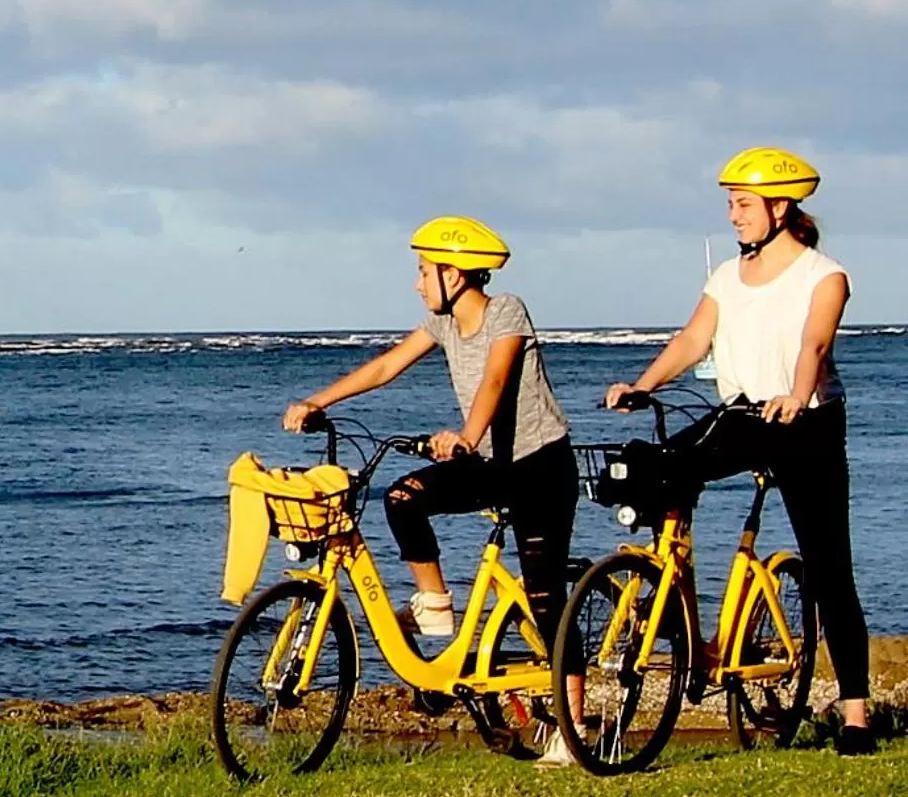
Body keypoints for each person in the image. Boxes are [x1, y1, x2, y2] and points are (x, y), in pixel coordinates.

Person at [605, 148, 873, 755]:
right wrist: (643, 385)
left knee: (830, 565)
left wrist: (797, 397)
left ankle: (857, 715)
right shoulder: (727, 276)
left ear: (781, 208)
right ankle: (680, 610)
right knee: (651, 467)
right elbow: (694, 338)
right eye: (730, 204)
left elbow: (814, 343)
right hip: (743, 415)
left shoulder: (822, 275)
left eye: (743, 204)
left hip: (807, 423)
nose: (733, 215)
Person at [283, 217, 580, 761]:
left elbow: (494, 379)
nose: (418, 283)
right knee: (402, 497)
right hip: (491, 461)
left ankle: (573, 731)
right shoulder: (441, 325)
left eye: (424, 272)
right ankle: (436, 605)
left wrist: (466, 436)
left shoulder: (506, 311)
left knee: (546, 602)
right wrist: (317, 402)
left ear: (456, 274)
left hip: (540, 465)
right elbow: (387, 366)